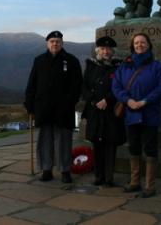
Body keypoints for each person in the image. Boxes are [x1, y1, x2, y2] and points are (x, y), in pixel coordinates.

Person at [112, 32, 161, 197]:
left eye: (142, 42)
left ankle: (150, 185)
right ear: (132, 46)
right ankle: (135, 182)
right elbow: (116, 86)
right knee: (134, 147)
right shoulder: (124, 66)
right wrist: (127, 100)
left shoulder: (158, 66)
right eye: (136, 43)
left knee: (150, 149)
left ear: (149, 45)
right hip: (130, 113)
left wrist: (144, 101)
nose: (139, 45)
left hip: (150, 113)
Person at [24, 30, 83, 183]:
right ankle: (46, 169)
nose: (55, 44)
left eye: (57, 41)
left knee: (64, 141)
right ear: (47, 43)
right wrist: (29, 104)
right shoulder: (39, 60)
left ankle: (65, 170)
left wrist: (70, 102)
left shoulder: (71, 60)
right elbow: (32, 84)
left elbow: (77, 86)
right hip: (43, 107)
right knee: (45, 140)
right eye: (52, 41)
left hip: (64, 108)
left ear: (62, 43)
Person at [81, 36, 126, 186]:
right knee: (97, 143)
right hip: (95, 111)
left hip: (110, 111)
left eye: (108, 49)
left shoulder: (118, 67)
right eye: (102, 49)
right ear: (97, 50)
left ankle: (108, 178)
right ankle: (98, 176)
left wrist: (107, 100)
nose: (105, 51)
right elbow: (84, 87)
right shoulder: (91, 66)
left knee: (110, 144)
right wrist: (94, 101)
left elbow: (121, 86)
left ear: (112, 51)